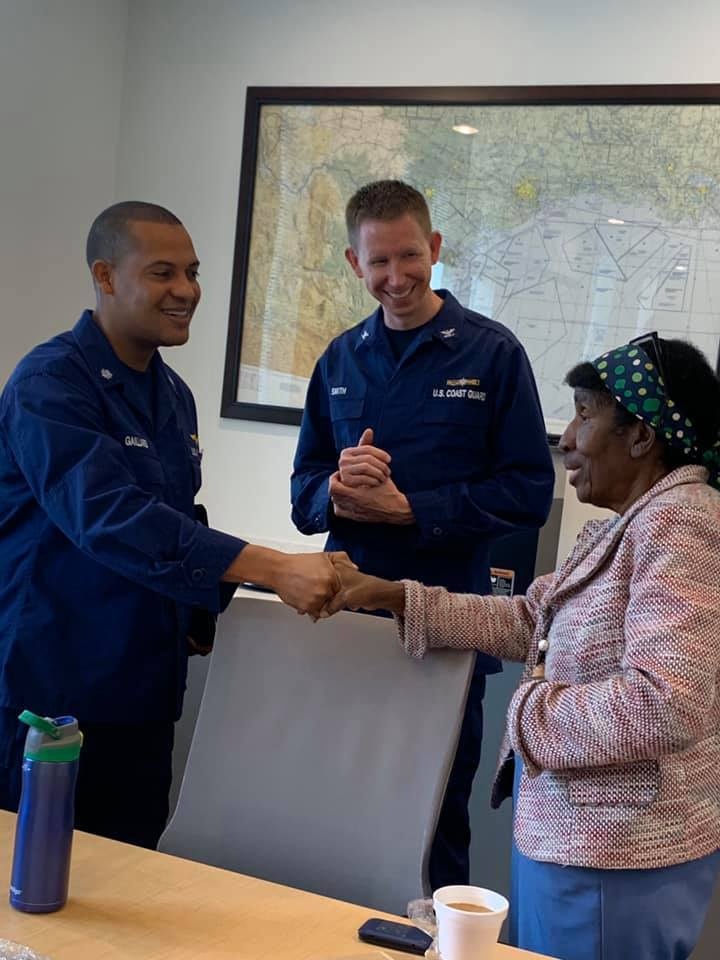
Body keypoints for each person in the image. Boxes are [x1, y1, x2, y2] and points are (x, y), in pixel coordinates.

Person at [324, 333, 720, 960]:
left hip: (613, 856)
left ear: (641, 436)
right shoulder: (632, 524)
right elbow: (528, 620)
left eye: (587, 414)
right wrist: (394, 595)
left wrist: (525, 713)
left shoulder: (681, 523)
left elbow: (666, 702)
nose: (568, 437)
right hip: (585, 846)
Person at [0, 201, 348, 849]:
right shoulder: (50, 386)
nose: (186, 290)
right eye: (163, 272)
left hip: (142, 698)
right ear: (105, 277)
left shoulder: (173, 395)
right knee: (37, 896)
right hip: (52, 695)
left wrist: (206, 613)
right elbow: (112, 519)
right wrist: (272, 566)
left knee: (131, 889)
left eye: (192, 272)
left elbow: (176, 520)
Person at [290, 180, 554, 888]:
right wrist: (335, 491)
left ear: (435, 248)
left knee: (436, 815)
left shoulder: (492, 355)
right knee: (336, 806)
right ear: (354, 264)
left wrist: (415, 509)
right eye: (378, 263)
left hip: (445, 629)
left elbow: (530, 493)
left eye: (409, 256)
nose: (396, 277)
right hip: (349, 624)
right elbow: (302, 496)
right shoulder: (339, 360)